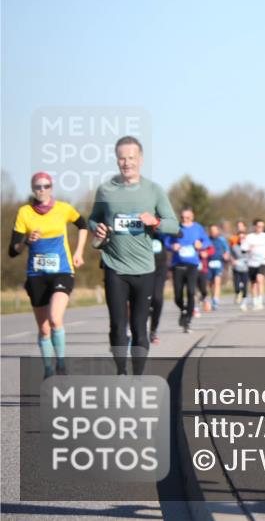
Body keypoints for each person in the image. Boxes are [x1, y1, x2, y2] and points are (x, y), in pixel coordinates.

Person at [89, 136, 179, 375]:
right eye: (122, 158)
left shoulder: (153, 190)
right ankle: (121, 372)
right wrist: (96, 228)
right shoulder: (105, 190)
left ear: (140, 159)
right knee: (118, 325)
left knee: (140, 327)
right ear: (116, 159)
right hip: (114, 266)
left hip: (144, 269)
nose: (126, 162)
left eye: (131, 158)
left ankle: (138, 376)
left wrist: (156, 222)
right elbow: (93, 218)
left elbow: (173, 225)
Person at [8, 172, 88, 377]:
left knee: (55, 318)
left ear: (51, 187)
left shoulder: (63, 209)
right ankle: (48, 369)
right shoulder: (24, 213)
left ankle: (61, 364)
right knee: (44, 329)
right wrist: (27, 241)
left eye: (45, 186)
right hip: (36, 276)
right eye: (37, 187)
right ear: (33, 189)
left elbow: (83, 225)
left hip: (62, 271)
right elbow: (12, 250)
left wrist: (78, 251)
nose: (41, 190)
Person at [162, 207, 210, 332]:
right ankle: (183, 309)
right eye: (183, 217)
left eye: (187, 218)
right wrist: (172, 246)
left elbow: (206, 241)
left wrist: (201, 245)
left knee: (191, 292)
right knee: (178, 295)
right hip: (178, 265)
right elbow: (166, 242)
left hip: (192, 265)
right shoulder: (176, 228)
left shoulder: (198, 228)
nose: (185, 220)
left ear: (192, 217)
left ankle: (188, 319)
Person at [242, 219, 265, 311]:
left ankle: (260, 301)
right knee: (253, 283)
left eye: (262, 227)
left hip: (262, 261)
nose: (260, 228)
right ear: (255, 226)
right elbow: (243, 249)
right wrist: (248, 249)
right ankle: (255, 301)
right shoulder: (249, 237)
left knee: (260, 279)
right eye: (259, 226)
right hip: (252, 262)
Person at [149, 231, 169, 344]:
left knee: (157, 299)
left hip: (159, 268)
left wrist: (159, 226)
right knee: (142, 300)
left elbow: (178, 233)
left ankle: (153, 330)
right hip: (143, 266)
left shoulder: (162, 229)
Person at [206, 223, 230, 310]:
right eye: (211, 231)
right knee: (210, 283)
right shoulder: (207, 240)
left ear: (218, 231)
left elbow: (227, 250)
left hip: (218, 263)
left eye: (215, 230)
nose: (213, 232)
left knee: (217, 281)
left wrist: (226, 255)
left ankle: (216, 300)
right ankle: (212, 298)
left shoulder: (222, 240)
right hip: (208, 263)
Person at [230, 231, 250, 303]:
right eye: (240, 237)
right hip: (237, 268)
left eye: (243, 237)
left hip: (246, 269)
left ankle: (244, 297)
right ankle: (238, 293)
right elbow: (231, 255)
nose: (241, 239)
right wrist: (233, 261)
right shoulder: (234, 247)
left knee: (245, 284)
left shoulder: (249, 247)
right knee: (237, 283)